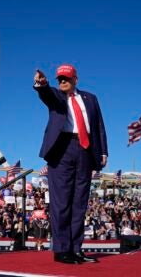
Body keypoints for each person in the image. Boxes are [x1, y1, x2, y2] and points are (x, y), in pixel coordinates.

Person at [33, 64, 108, 264]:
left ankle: (76, 249)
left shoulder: (90, 99)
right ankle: (61, 250)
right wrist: (42, 85)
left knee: (80, 202)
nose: (63, 82)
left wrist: (103, 151)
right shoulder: (56, 96)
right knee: (61, 202)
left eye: (66, 78)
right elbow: (46, 95)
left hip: (85, 149)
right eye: (59, 79)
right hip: (61, 150)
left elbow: (99, 126)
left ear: (75, 79)